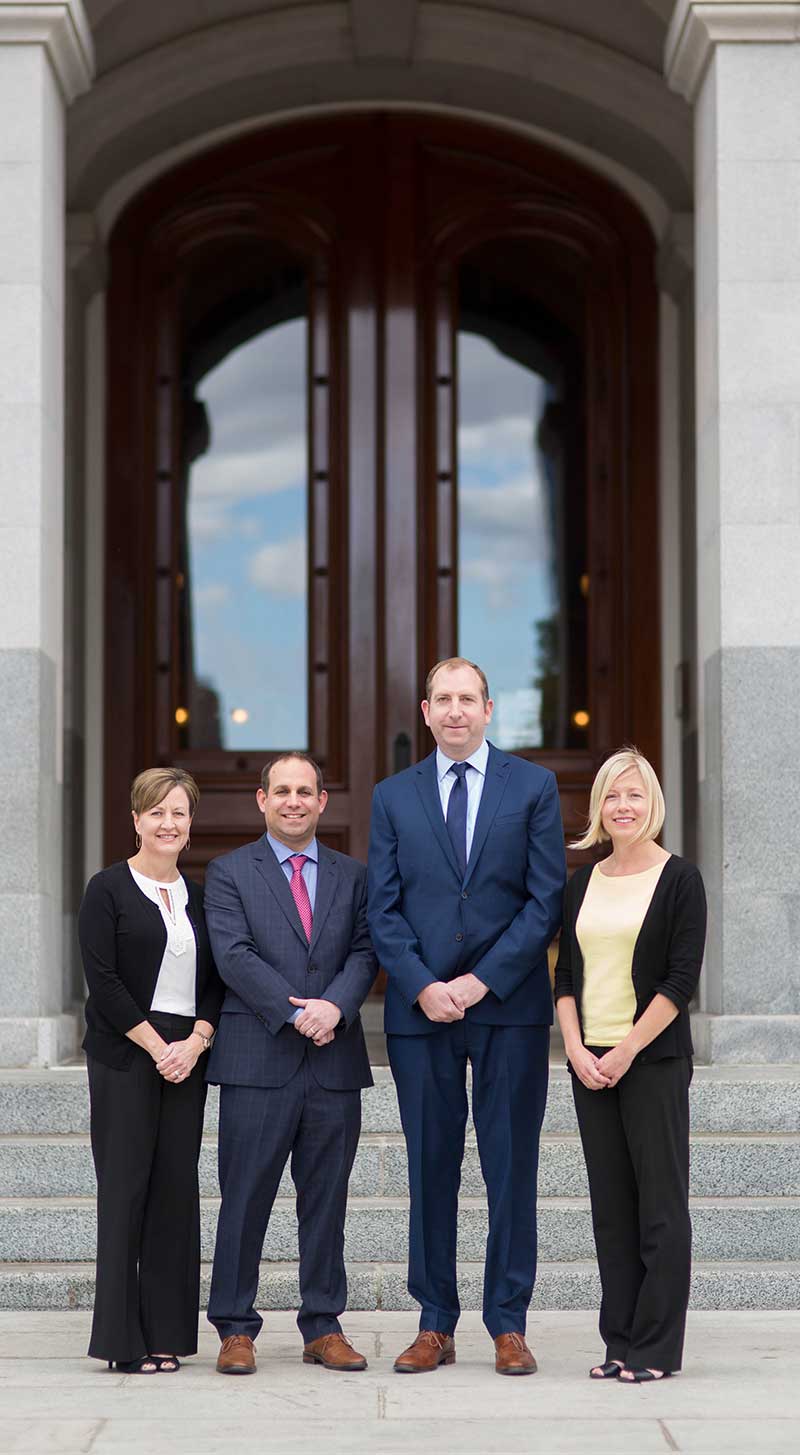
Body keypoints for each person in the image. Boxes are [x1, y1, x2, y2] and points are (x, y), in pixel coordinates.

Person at [368, 657, 566, 1375]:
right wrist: (422, 984)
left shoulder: (533, 787)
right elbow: (381, 907)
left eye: (467, 699)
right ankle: (435, 1322)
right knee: (431, 1167)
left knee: (511, 1164)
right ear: (425, 711)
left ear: (489, 708)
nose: (455, 711)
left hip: (507, 1006)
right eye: (442, 700)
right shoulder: (393, 796)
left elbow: (546, 900)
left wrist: (481, 981)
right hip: (422, 1013)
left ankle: (508, 1322)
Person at [204, 752, 378, 1375]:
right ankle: (234, 1326)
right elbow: (232, 953)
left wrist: (334, 1007)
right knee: (245, 1196)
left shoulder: (354, 875)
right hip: (258, 1057)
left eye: (306, 792)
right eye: (282, 791)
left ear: (322, 801)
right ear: (261, 800)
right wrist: (294, 1009)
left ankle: (323, 1325)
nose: (294, 802)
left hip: (334, 1061)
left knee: (326, 1200)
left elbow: (365, 949)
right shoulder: (228, 873)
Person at [554, 747, 707, 1383]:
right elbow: (564, 975)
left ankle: (654, 1349)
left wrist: (624, 1051)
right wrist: (574, 1047)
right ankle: (618, 1340)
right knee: (611, 1208)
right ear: (599, 808)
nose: (623, 807)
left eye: (634, 795)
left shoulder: (680, 879)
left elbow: (679, 982)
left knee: (660, 1208)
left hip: (651, 1061)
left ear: (653, 805)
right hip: (589, 1064)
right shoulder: (581, 884)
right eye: (612, 797)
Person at [78, 767, 223, 1373]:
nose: (169, 823)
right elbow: (103, 980)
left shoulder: (202, 894)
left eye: (180, 813)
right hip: (124, 1052)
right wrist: (153, 1045)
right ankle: (120, 1341)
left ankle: (167, 1334)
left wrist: (194, 1041)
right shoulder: (107, 888)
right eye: (156, 812)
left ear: (191, 826)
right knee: (126, 1190)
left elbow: (216, 983)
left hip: (186, 1054)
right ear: (136, 820)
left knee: (174, 1192)